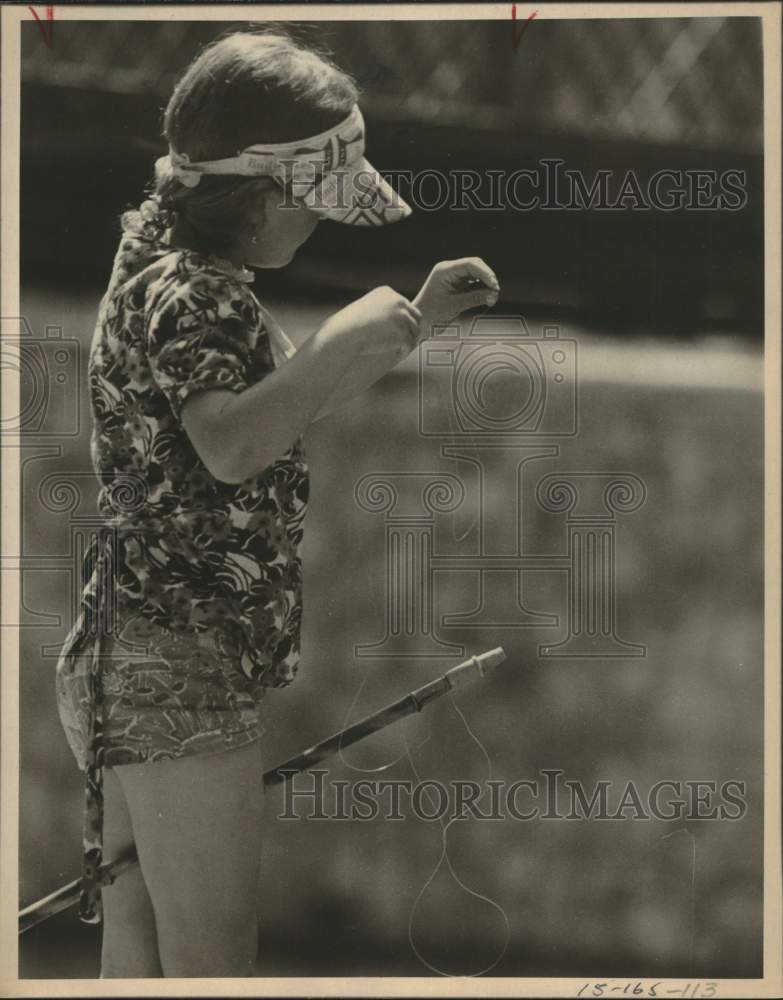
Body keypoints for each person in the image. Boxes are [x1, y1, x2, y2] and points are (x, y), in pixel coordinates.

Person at [54, 28, 500, 979]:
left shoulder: (158, 260)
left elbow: (258, 413)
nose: (321, 225)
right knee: (215, 962)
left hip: (130, 646)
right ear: (256, 196)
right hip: (176, 662)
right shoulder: (198, 296)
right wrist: (343, 347)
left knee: (139, 951)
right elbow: (231, 445)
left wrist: (408, 324)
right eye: (311, 205)